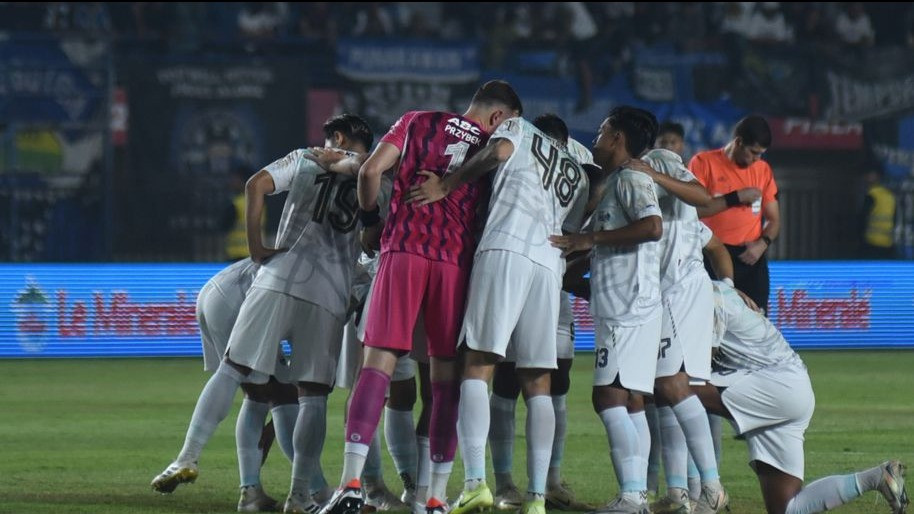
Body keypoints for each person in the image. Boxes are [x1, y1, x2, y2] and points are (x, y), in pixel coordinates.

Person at [152, 113, 381, 514]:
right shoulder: (379, 176)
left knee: (232, 369)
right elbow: (371, 232)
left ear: (338, 136)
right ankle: (299, 496)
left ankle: (187, 457)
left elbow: (255, 184)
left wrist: (257, 247)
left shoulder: (307, 159)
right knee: (312, 397)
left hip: (275, 277)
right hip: (328, 291)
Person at [320, 80, 523, 514]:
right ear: (499, 118)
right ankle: (433, 498)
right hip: (455, 263)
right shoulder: (497, 144)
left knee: (378, 364)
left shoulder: (417, 121)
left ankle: (352, 484)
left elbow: (371, 171)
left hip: (404, 249)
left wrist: (371, 221)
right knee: (444, 380)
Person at [409, 112, 589, 514]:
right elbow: (574, 239)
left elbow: (499, 151)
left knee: (478, 363)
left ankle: (475, 483)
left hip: (506, 248)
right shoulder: (577, 172)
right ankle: (538, 498)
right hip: (549, 267)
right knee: (538, 379)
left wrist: (448, 184)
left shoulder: (519, 127)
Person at [693, 280, 909, 514]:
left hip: (772, 386)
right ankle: (877, 478)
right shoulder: (711, 288)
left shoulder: (698, 295)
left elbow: (697, 366)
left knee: (677, 389)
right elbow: (717, 249)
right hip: (793, 386)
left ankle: (694, 489)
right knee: (787, 509)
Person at [479, 121, 597, 513]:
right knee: (510, 383)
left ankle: (549, 481)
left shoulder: (579, 160)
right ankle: (504, 483)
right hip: (537, 271)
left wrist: (573, 271)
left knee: (554, 383)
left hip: (544, 281)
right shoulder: (555, 156)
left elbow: (579, 234)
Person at [550, 106, 662, 514]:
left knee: (607, 397)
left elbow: (652, 228)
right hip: (628, 304)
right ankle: (637, 494)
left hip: (626, 307)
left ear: (617, 138)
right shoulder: (619, 181)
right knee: (631, 401)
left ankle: (632, 495)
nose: (595, 138)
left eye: (601, 131)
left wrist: (589, 239)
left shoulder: (631, 178)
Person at [151, 257, 317, 512]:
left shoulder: (318, 257)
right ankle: (314, 489)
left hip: (219, 289)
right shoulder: (339, 287)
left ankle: (251, 492)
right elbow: (310, 385)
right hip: (248, 297)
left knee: (263, 392)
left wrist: (273, 428)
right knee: (239, 371)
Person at [637, 148, 732, 514]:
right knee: (666, 391)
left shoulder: (657, 160)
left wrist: (724, 287)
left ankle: (708, 486)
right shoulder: (658, 202)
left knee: (676, 387)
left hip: (679, 296)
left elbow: (703, 197)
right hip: (666, 295)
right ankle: (680, 492)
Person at [689, 115, 780, 313]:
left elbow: (774, 220)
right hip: (711, 255)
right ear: (738, 142)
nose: (757, 159)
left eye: (761, 154)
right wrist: (735, 198)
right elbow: (692, 210)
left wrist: (762, 244)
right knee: (712, 322)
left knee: (758, 320)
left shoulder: (763, 170)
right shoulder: (703, 162)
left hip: (751, 258)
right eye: (753, 152)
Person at [858, 167, 897, 259]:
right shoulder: (890, 196)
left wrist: (860, 237)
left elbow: (862, 218)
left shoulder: (872, 195)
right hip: (888, 243)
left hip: (872, 243)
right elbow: (895, 219)